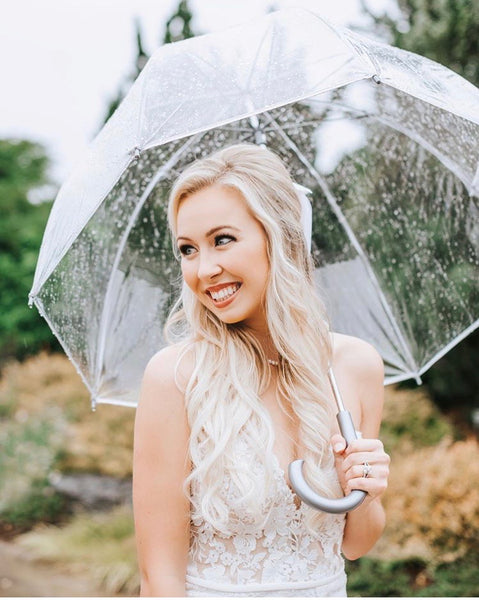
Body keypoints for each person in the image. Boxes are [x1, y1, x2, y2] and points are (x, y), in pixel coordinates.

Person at [133, 143, 390, 597]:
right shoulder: (174, 377)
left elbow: (355, 544)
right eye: (187, 249)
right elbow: (160, 576)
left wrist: (365, 492)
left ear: (281, 237)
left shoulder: (354, 366)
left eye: (222, 240)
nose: (204, 269)